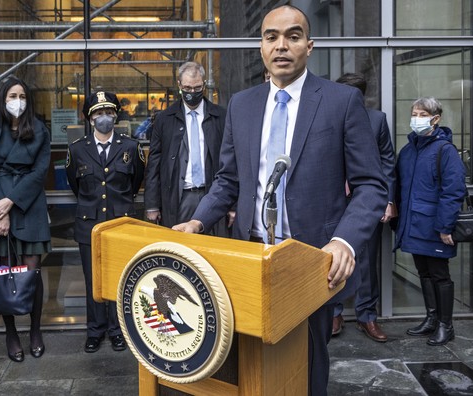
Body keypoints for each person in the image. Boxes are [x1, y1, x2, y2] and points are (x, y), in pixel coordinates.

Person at [172, 6, 387, 395]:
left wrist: (344, 240)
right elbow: (227, 180)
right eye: (272, 36)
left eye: (293, 36)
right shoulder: (242, 104)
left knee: (306, 367)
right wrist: (198, 222)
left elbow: (371, 185)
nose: (281, 45)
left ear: (309, 45)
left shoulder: (341, 102)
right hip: (250, 257)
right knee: (248, 363)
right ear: (261, 47)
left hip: (310, 260)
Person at [0, 77, 52, 363]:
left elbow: (38, 172)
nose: (17, 100)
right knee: (4, 272)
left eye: (22, 95)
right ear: (3, 98)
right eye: (12, 95)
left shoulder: (40, 131)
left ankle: (35, 330)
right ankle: (11, 333)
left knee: (32, 272)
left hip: (28, 204)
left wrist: (11, 202)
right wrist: (1, 210)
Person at [66, 91, 145, 353]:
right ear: (89, 119)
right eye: (98, 113)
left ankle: (117, 330)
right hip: (89, 225)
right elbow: (76, 185)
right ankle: (95, 331)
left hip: (120, 225)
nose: (104, 118)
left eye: (108, 113)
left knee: (120, 280)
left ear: (116, 115)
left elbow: (134, 184)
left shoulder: (131, 147)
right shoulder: (77, 149)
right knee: (94, 281)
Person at [394, 97, 466, 346]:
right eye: (414, 113)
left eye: (422, 113)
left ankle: (447, 326)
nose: (417, 118)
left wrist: (445, 227)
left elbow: (454, 191)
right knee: (424, 272)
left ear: (436, 119)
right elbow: (400, 187)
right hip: (413, 225)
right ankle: (431, 319)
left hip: (434, 227)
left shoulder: (445, 151)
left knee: (439, 275)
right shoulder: (407, 150)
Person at [332, 73, 397, 343]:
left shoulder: (377, 120)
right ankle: (333, 311)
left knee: (368, 260)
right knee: (331, 258)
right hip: (334, 201)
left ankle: (367, 316)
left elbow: (387, 163)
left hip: (365, 200)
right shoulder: (326, 118)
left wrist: (388, 201)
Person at [145, 61, 230, 235]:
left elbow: (231, 162)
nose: (192, 93)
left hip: (213, 196)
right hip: (179, 196)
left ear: (204, 85)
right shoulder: (165, 119)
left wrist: (233, 204)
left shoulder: (220, 116)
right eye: (188, 88)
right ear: (179, 85)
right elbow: (154, 164)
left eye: (197, 88)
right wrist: (152, 205)